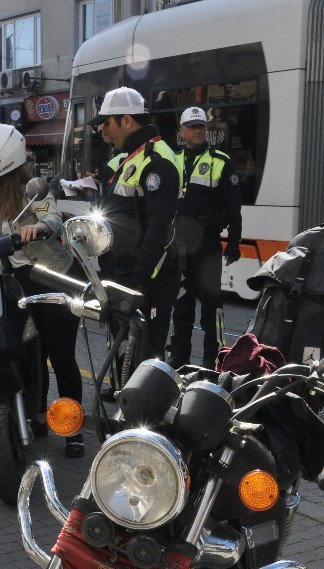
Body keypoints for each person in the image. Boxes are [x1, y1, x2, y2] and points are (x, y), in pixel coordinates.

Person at [0, 123, 86, 457]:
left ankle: (73, 430)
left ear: (0, 158)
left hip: (55, 279)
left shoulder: (32, 189)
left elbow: (53, 217)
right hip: (20, 284)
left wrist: (39, 227)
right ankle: (40, 418)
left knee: (62, 357)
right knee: (32, 355)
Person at [89, 86, 182, 367]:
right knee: (124, 356)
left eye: (106, 122)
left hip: (146, 281)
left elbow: (159, 229)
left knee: (146, 361)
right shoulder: (128, 158)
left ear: (127, 120)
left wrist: (139, 282)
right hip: (122, 276)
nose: (102, 130)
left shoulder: (157, 160)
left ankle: (147, 412)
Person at [167, 106, 243, 369]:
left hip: (208, 247)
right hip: (179, 247)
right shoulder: (172, 161)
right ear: (182, 131)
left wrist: (234, 243)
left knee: (212, 308)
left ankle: (215, 360)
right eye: (192, 126)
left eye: (201, 126)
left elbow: (233, 207)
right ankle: (179, 357)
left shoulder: (221, 161)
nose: (198, 130)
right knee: (181, 305)